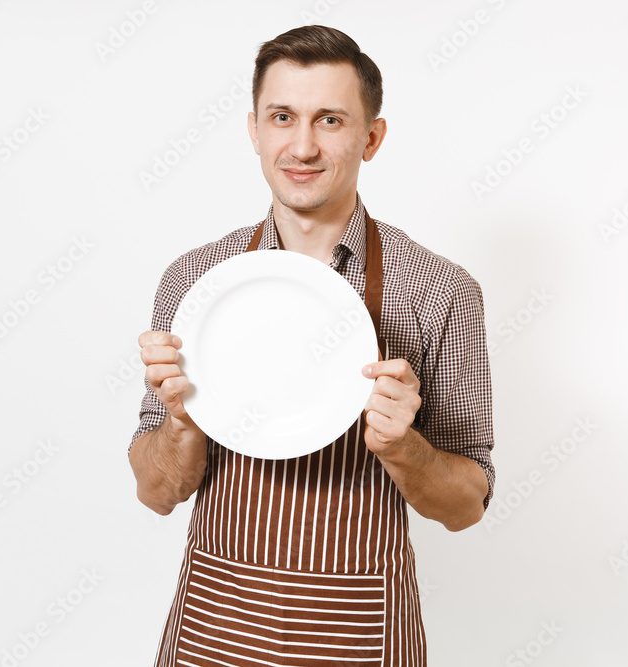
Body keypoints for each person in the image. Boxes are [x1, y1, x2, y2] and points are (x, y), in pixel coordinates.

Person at [128, 24, 494, 667]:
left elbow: (466, 507)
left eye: (330, 120)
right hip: (215, 631)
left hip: (358, 637)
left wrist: (403, 447)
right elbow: (155, 492)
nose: (302, 145)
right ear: (254, 131)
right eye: (282, 117)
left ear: (370, 138)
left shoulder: (441, 291)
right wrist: (183, 422)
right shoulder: (196, 285)